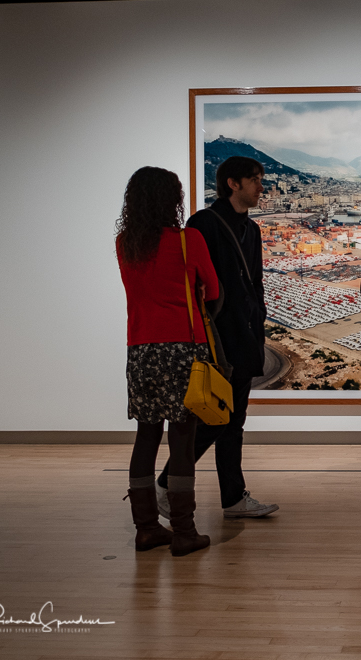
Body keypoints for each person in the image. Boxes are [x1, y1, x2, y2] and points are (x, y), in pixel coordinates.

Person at [156, 157, 278, 518]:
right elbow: (194, 285)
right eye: (255, 180)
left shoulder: (251, 230)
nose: (261, 187)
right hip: (217, 339)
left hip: (245, 333)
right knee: (217, 418)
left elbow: (253, 283)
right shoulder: (203, 225)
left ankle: (233, 499)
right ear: (232, 183)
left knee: (232, 421)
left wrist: (259, 318)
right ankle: (166, 483)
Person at [116, 166, 216, 556]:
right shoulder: (189, 240)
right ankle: (184, 531)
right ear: (171, 200)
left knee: (146, 436)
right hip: (183, 348)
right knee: (182, 440)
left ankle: (145, 529)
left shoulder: (126, 242)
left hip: (141, 348)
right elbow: (214, 289)